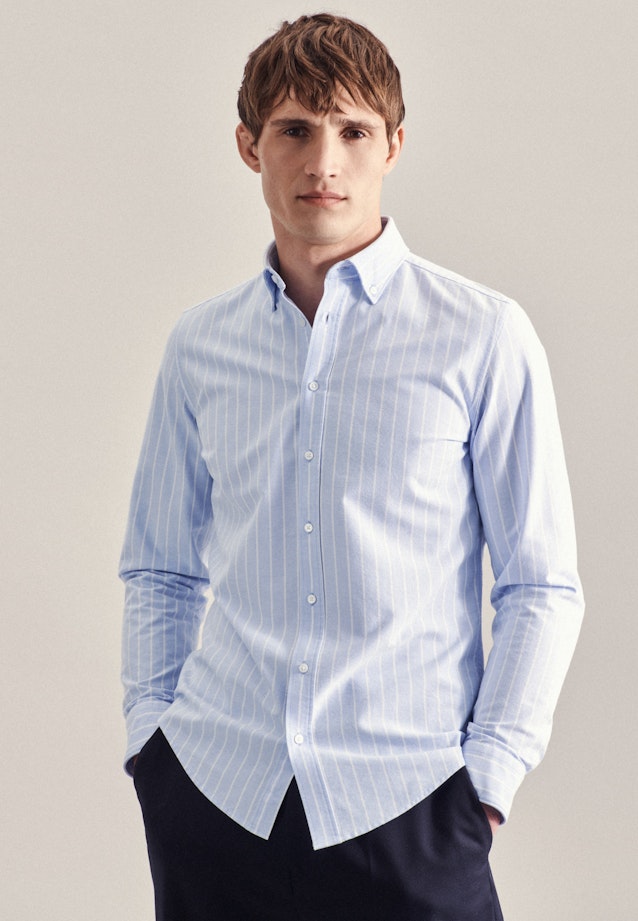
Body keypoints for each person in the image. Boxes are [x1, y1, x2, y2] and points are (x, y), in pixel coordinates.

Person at [120, 13, 584, 921]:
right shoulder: (201, 344)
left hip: (411, 802)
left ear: (393, 146)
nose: (323, 162)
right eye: (294, 129)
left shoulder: (482, 334)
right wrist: (154, 749)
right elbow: (160, 568)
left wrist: (487, 783)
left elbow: (540, 583)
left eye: (354, 131)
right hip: (218, 795)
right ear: (250, 146)